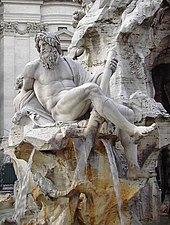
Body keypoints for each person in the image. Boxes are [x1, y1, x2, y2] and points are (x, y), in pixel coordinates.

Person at [13, 31, 155, 179]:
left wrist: (108, 71)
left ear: (55, 46)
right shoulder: (33, 68)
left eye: (46, 45)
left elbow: (92, 80)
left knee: (129, 113)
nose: (42, 49)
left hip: (79, 104)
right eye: (40, 46)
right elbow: (24, 93)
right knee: (91, 89)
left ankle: (133, 168)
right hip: (59, 110)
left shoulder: (70, 64)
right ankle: (132, 129)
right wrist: (25, 112)